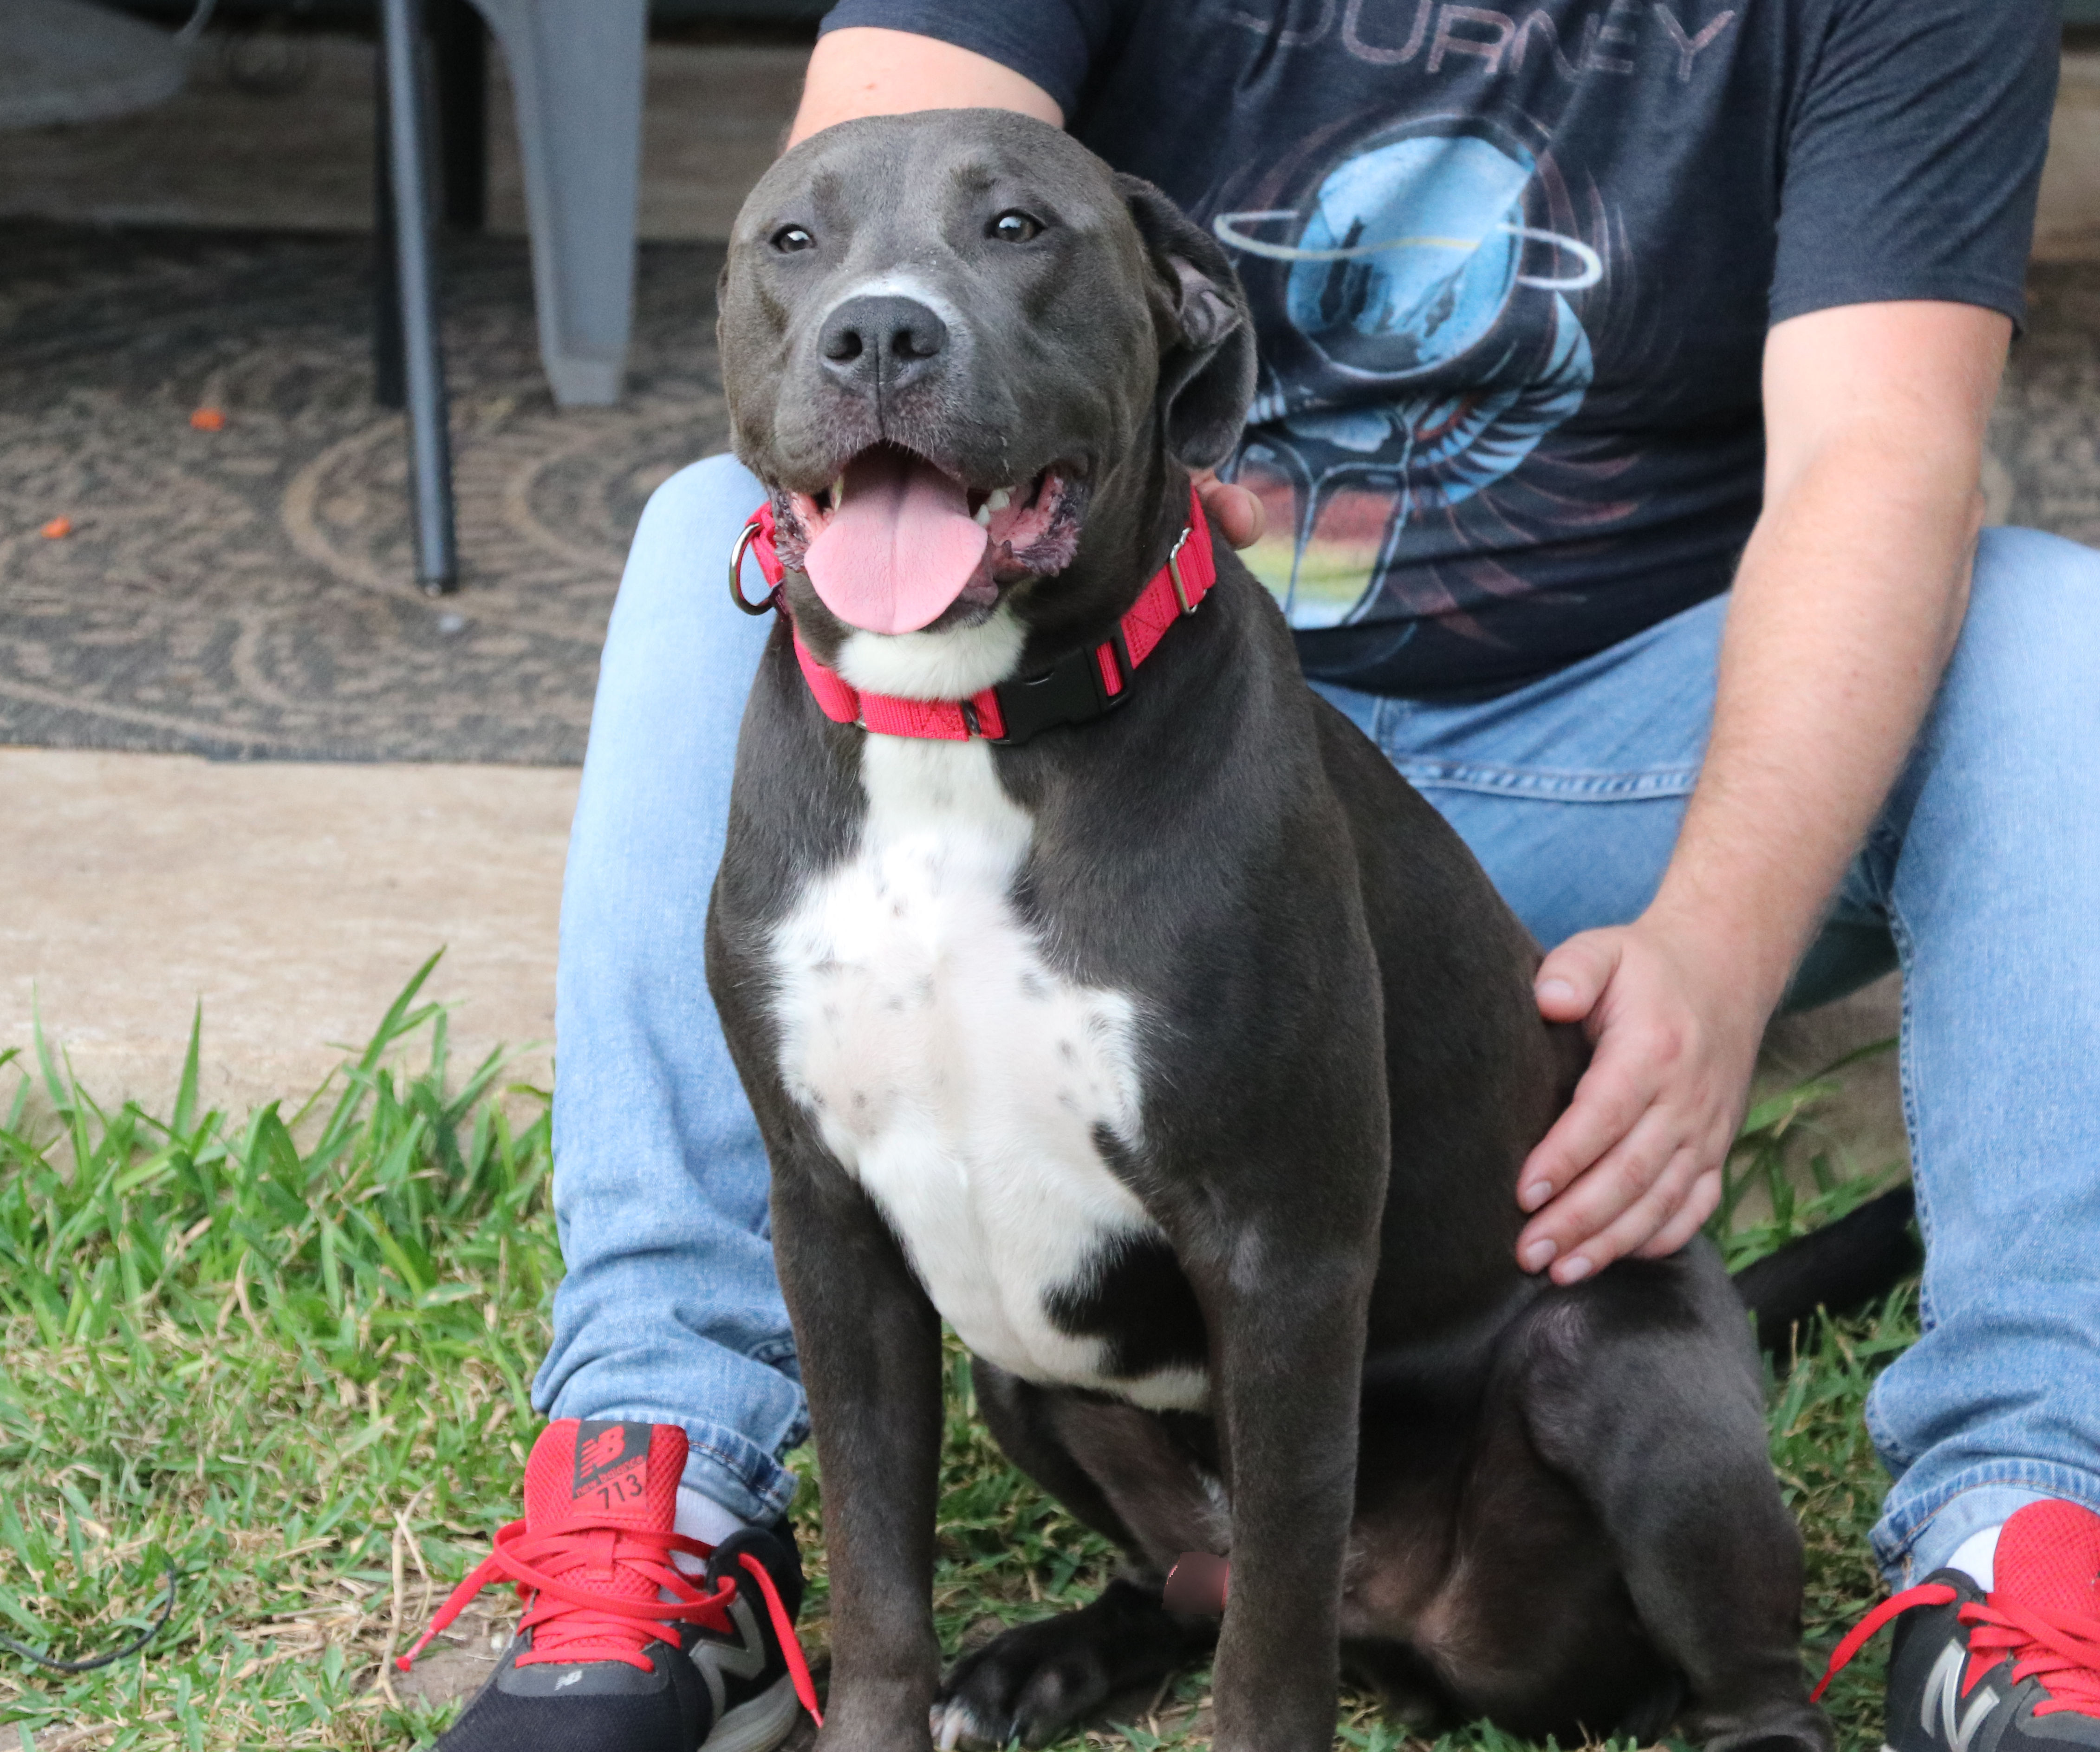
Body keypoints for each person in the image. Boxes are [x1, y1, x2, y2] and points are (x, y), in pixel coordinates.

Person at [424, 6, 2100, 1751]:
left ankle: (2021, 1526)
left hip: (1608, 750)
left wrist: (1720, 943)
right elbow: (881, 189)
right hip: (1118, 672)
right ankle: (668, 1481)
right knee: (705, 527)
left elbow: (1874, 450)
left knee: (2053, 631)